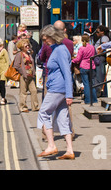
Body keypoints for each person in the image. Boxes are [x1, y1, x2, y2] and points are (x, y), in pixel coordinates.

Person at [37, 25, 75, 160]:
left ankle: (51, 145)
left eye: (46, 39)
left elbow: (67, 72)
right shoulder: (57, 49)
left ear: (53, 37)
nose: (45, 42)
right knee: (62, 117)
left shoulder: (60, 51)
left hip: (57, 89)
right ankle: (69, 150)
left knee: (43, 113)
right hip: (60, 89)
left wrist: (70, 94)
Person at [13, 38, 39, 112]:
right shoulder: (19, 54)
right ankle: (23, 107)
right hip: (24, 76)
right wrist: (23, 72)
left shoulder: (29, 54)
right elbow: (16, 65)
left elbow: (32, 64)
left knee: (34, 91)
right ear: (22, 47)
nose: (28, 47)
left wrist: (33, 72)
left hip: (30, 75)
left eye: (28, 46)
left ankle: (35, 106)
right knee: (23, 92)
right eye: (26, 46)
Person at [72, 34, 98, 104]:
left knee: (86, 84)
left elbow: (78, 59)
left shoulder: (82, 48)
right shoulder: (92, 47)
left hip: (84, 66)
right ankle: (95, 99)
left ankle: (88, 100)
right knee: (92, 83)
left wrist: (72, 61)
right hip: (91, 66)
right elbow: (94, 55)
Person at [94, 25, 110, 97]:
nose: (96, 33)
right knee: (98, 74)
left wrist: (97, 53)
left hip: (100, 58)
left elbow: (104, 47)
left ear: (102, 32)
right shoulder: (101, 38)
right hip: (98, 57)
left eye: (97, 32)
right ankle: (99, 90)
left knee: (100, 74)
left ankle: (101, 91)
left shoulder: (104, 38)